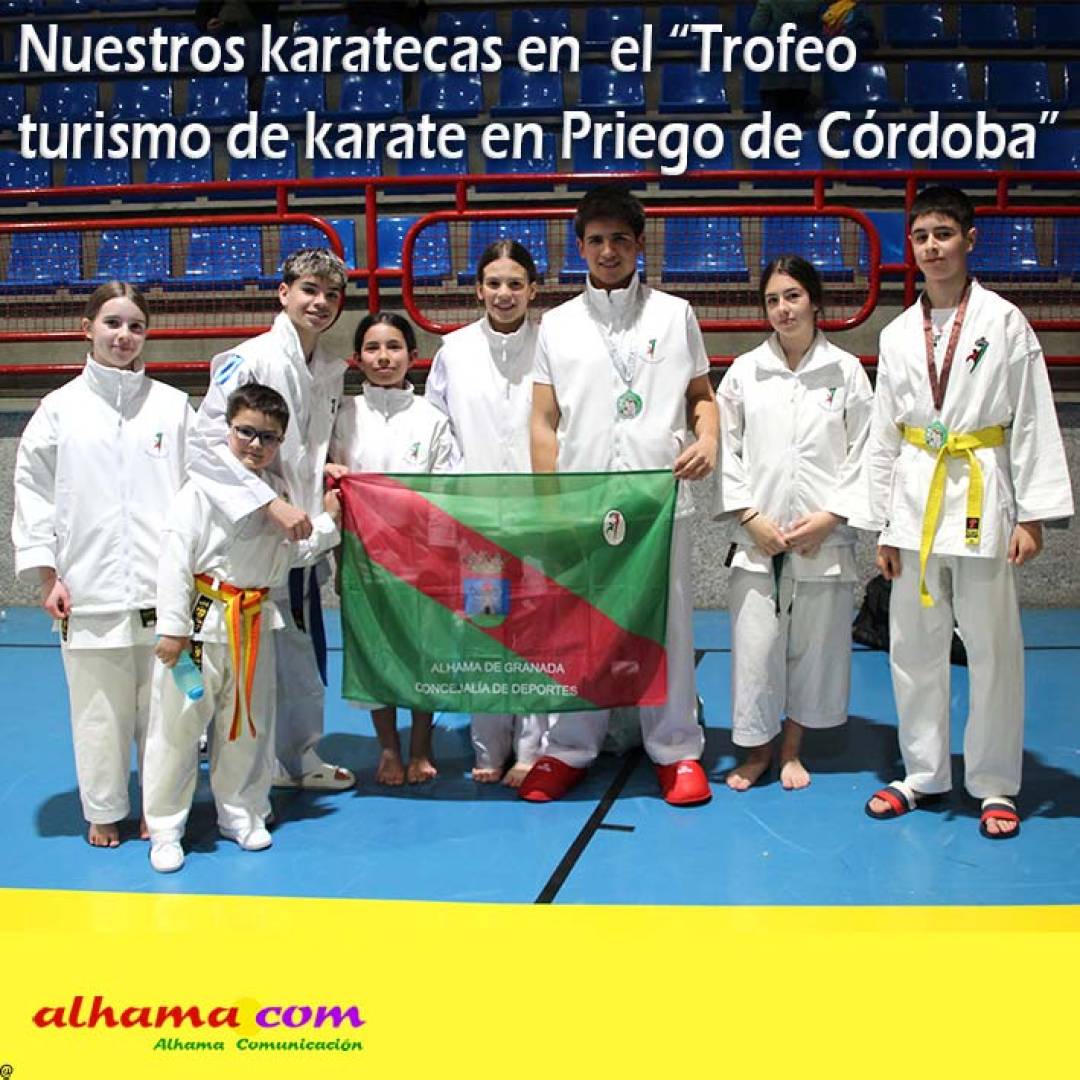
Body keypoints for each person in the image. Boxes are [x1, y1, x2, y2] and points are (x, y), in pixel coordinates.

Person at [863, 186, 1074, 840]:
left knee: (992, 650)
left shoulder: (1006, 322)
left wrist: (1034, 515)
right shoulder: (899, 333)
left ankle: (993, 783)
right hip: (915, 504)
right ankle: (923, 773)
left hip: (983, 498)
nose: (931, 246)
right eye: (921, 235)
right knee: (914, 648)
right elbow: (884, 432)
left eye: (943, 234)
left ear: (969, 239)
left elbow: (1034, 418)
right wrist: (881, 525)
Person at [522, 185, 720, 806]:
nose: (608, 251)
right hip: (584, 501)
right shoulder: (555, 324)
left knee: (670, 623)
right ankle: (569, 748)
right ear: (580, 247)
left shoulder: (674, 313)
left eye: (620, 240)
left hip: (659, 500)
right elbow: (542, 420)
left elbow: (701, 398)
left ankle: (677, 749)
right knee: (580, 628)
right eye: (597, 240)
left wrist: (709, 439)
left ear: (639, 245)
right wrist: (550, 505)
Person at [11, 282, 190, 847]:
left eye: (135, 326)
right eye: (112, 323)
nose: (124, 336)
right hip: (85, 588)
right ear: (88, 326)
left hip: (163, 592)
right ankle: (103, 808)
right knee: (97, 713)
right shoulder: (59, 409)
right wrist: (47, 573)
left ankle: (158, 811)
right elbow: (32, 491)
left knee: (167, 710)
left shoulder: (171, 405)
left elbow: (195, 495)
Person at [143, 383, 341, 872]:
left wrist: (329, 523)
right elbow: (173, 559)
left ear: (280, 442)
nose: (255, 444)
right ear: (228, 430)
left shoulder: (277, 493)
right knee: (178, 726)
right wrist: (172, 628)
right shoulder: (200, 490)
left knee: (249, 725)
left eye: (268, 437)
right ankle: (167, 828)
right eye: (245, 432)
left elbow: (293, 554)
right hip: (202, 618)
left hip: (253, 619)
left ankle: (242, 812)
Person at [188, 248, 355, 791]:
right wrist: (269, 504)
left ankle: (298, 758)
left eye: (331, 295)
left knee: (300, 652)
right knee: (241, 659)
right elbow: (206, 446)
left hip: (301, 534)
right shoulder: (247, 359)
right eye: (309, 289)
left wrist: (321, 470)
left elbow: (302, 446)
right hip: (251, 533)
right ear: (283, 293)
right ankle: (239, 770)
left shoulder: (329, 368)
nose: (321, 302)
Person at [716, 256, 873, 791]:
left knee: (814, 650)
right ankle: (756, 751)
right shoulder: (744, 372)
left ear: (815, 301)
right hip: (757, 542)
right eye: (773, 300)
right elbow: (726, 450)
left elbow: (865, 452)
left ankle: (790, 750)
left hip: (823, 542)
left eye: (793, 296)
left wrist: (831, 517)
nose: (782, 309)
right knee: (756, 652)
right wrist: (749, 516)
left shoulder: (846, 372)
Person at [426, 239, 551, 787]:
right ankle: (488, 748)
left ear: (533, 290)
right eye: (494, 284)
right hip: (476, 527)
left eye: (515, 284)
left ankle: (532, 747)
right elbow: (437, 433)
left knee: (538, 635)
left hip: (539, 522)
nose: (504, 294)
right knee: (485, 633)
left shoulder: (553, 346)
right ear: (478, 289)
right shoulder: (452, 351)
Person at [328, 312, 457, 785]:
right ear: (357, 358)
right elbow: (332, 481)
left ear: (413, 356)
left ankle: (421, 746)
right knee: (374, 652)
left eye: (394, 347)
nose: (384, 357)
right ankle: (387, 748)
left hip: (422, 560)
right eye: (373, 348)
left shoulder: (433, 418)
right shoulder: (343, 415)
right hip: (362, 559)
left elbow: (447, 490)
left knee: (422, 652)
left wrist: (440, 556)